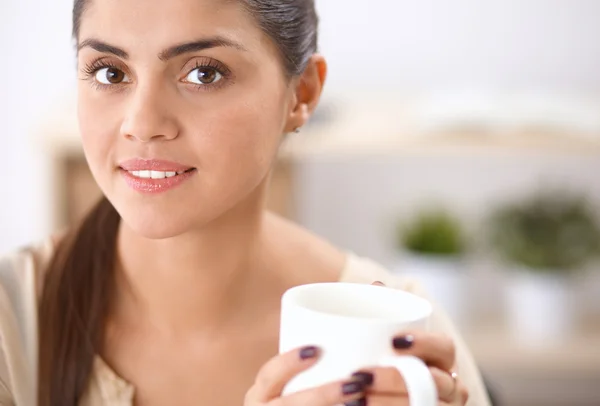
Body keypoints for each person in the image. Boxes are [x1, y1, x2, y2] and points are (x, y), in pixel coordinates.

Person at [0, 0, 492, 405]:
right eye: (109, 73)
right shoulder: (11, 320)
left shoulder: (399, 334)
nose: (142, 121)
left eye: (204, 74)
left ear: (301, 92)